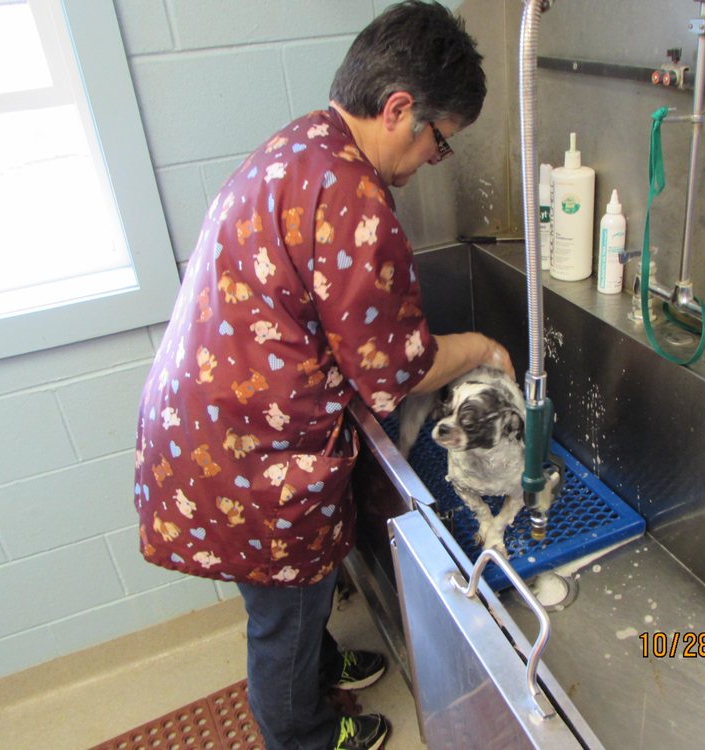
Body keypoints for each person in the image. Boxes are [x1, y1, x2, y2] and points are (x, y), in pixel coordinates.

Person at [132, 3, 511, 748]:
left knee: (290, 604)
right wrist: (481, 347)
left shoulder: (304, 143)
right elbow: (398, 370)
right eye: (440, 140)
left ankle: (319, 666)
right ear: (398, 109)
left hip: (204, 429)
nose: (434, 159)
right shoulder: (352, 196)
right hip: (250, 459)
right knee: (283, 618)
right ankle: (302, 733)